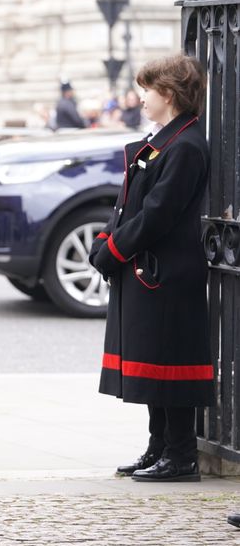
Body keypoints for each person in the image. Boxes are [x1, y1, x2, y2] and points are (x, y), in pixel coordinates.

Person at [90, 54, 213, 483]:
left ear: (169, 94)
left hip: (169, 272)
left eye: (147, 89)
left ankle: (180, 456)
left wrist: (114, 251)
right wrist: (106, 240)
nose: (141, 97)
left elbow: (158, 214)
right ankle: (158, 446)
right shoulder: (167, 138)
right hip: (149, 270)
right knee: (152, 362)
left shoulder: (187, 145)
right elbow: (130, 203)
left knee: (170, 365)